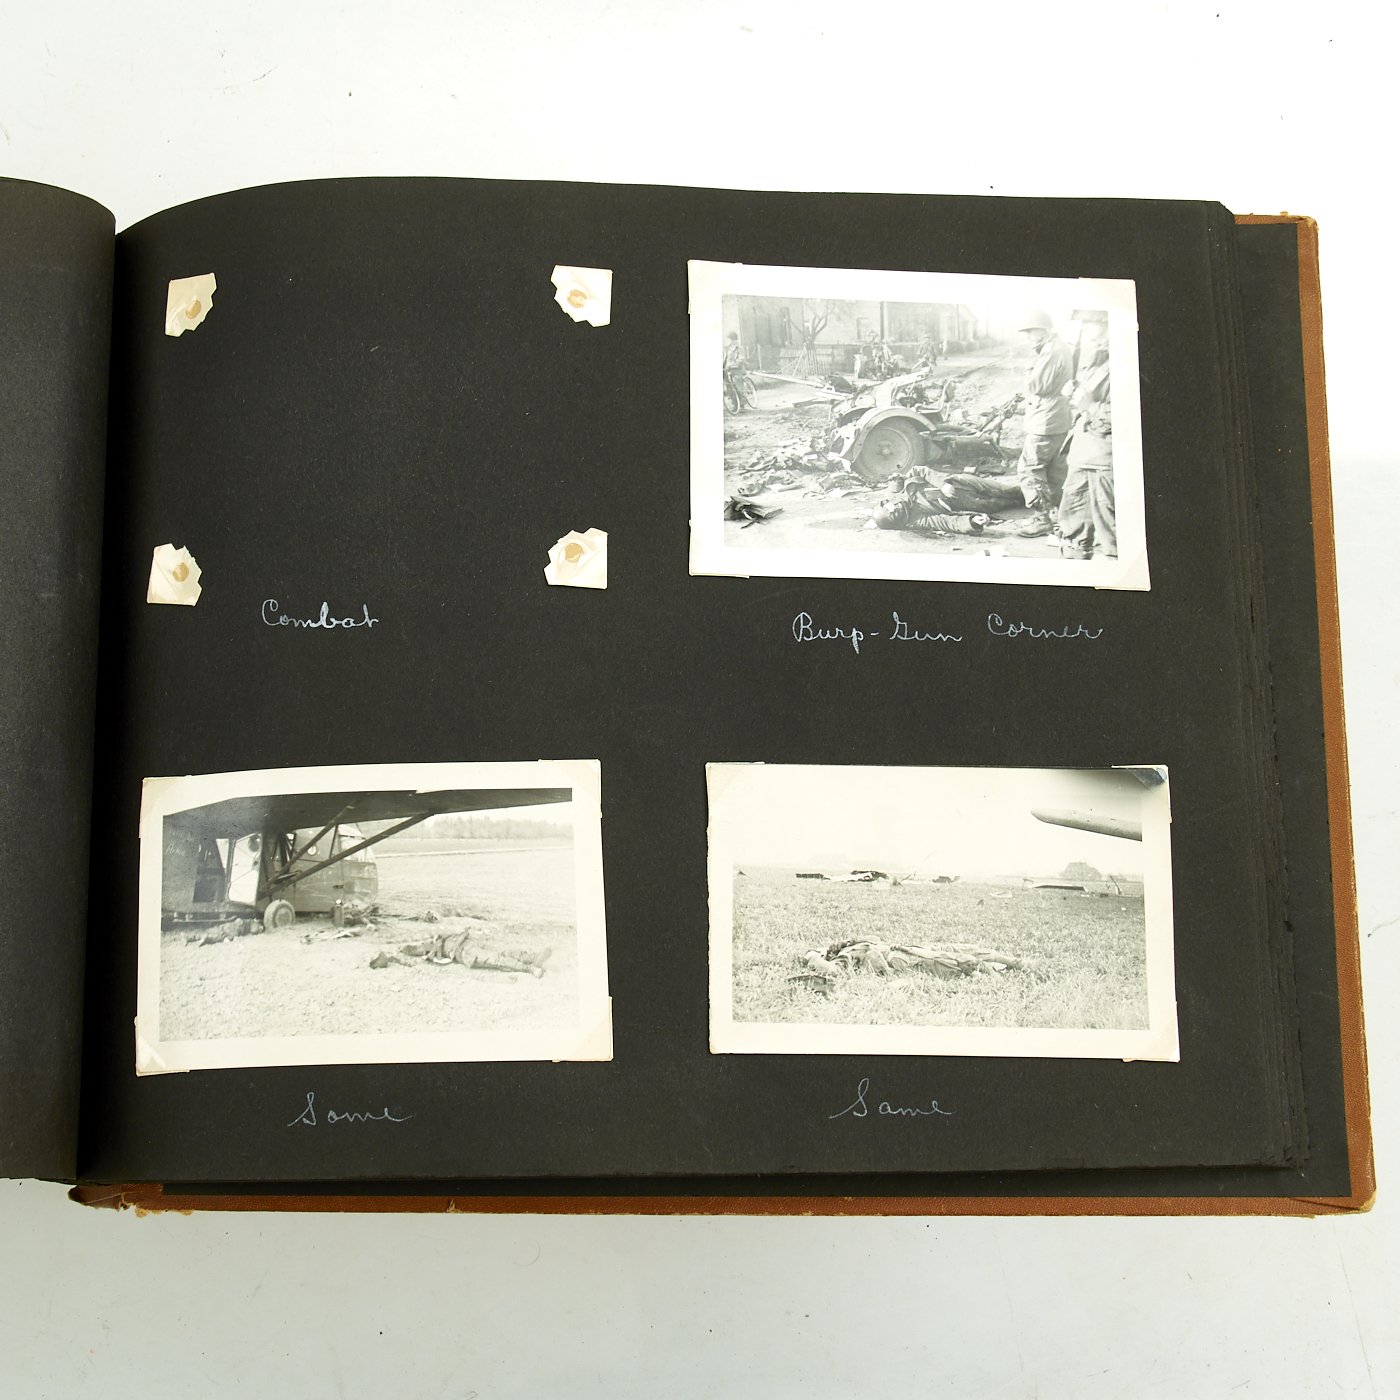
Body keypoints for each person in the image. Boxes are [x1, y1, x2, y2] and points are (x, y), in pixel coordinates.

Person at [1057, 316, 1116, 559]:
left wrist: (1091, 406)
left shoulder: (1125, 364)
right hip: (1083, 452)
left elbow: (1129, 415)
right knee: (1073, 522)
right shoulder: (1096, 362)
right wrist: (1073, 391)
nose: (1084, 335)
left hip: (1104, 457)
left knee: (1112, 528)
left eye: (1092, 328)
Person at [1012, 310, 1074, 537]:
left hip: (1046, 419)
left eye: (1031, 331)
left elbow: (1037, 386)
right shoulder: (1057, 348)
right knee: (1054, 471)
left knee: (1030, 469)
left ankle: (1043, 519)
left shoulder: (1051, 351)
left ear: (1045, 330)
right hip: (1056, 417)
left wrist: (1029, 368)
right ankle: (1059, 519)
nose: (1028, 336)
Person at [723, 331, 749, 408]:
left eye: (729, 339)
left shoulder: (739, 348)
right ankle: (735, 404)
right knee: (729, 388)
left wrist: (732, 365)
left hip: (737, 370)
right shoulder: (727, 348)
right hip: (728, 370)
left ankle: (742, 404)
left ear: (734, 339)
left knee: (738, 387)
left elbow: (741, 359)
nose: (728, 341)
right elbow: (725, 358)